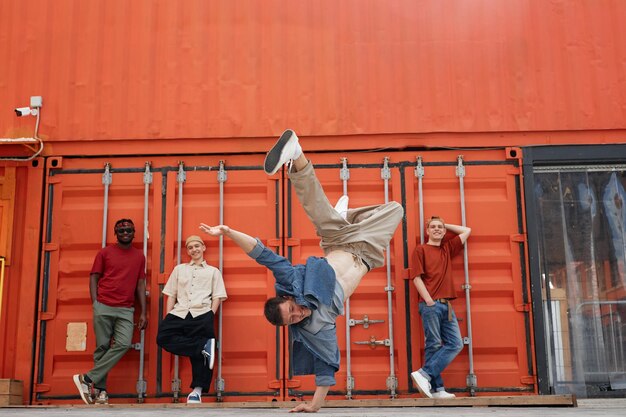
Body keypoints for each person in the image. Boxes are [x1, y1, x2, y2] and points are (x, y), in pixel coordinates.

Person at [200, 129, 403, 412]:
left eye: (292, 309)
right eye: (292, 319)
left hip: (336, 244)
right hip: (366, 251)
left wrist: (228, 231)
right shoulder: (313, 328)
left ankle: (296, 154)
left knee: (314, 204)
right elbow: (326, 365)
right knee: (395, 208)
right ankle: (347, 217)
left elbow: (263, 254)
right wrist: (314, 406)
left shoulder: (292, 281)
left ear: (287, 298)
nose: (298, 314)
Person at [72, 218, 147, 405]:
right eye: (121, 231)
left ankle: (88, 379)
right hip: (104, 305)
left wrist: (143, 312)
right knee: (102, 347)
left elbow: (140, 284)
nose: (125, 233)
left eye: (129, 230)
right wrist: (95, 303)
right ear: (116, 233)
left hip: (126, 309)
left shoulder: (139, 256)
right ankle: (101, 391)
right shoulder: (105, 253)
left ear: (134, 232)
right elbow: (94, 277)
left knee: (123, 343)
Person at [156, 235, 227, 404]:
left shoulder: (213, 271)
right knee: (162, 338)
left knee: (202, 359)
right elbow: (171, 294)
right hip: (179, 312)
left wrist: (210, 314)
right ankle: (201, 347)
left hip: (202, 313)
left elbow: (217, 295)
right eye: (190, 247)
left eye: (197, 246)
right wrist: (168, 316)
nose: (194, 250)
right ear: (187, 251)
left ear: (203, 248)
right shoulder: (179, 269)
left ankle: (197, 391)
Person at [410, 216, 471, 399]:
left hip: (447, 305)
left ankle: (425, 376)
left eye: (440, 227)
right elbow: (416, 278)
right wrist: (429, 300)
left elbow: (466, 230)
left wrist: (446, 225)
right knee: (434, 345)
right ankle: (437, 389)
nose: (437, 229)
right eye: (433, 227)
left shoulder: (447, 249)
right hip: (431, 305)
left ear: (444, 231)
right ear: (427, 231)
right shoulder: (420, 250)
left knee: (455, 344)